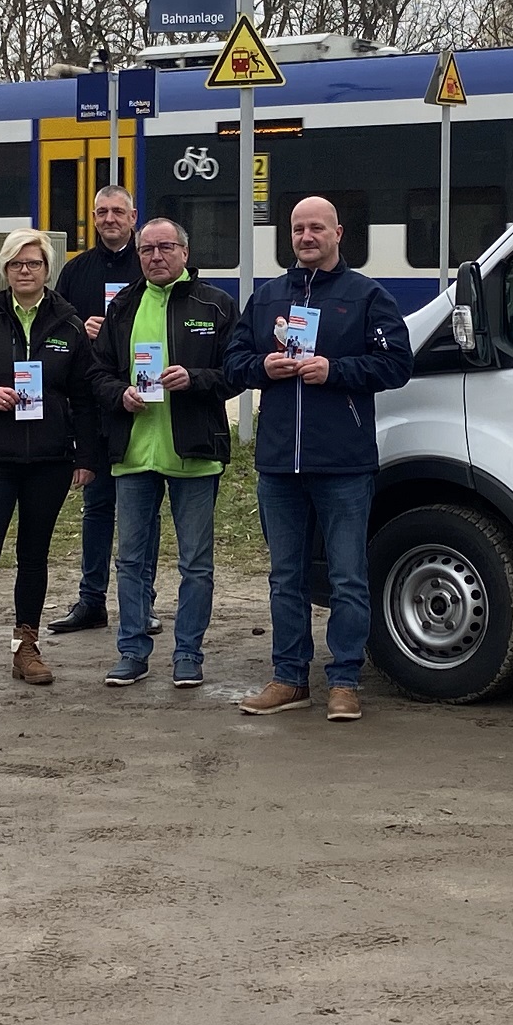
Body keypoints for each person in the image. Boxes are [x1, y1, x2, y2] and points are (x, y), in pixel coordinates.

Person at [223, 196, 413, 721]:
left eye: (316, 228)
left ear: (338, 233)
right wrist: (264, 365)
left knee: (349, 576)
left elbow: (397, 364)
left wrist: (336, 370)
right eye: (298, 229)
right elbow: (234, 363)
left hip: (344, 464)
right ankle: (289, 678)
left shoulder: (366, 297)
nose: (307, 237)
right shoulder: (267, 300)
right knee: (286, 577)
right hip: (279, 465)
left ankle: (345, 680)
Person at [0, 228, 102, 696]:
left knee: (34, 557)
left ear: (47, 270)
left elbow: (85, 395)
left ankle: (25, 648)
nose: (24, 271)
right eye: (16, 264)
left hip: (49, 459)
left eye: (33, 264)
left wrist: (84, 456)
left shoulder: (68, 324)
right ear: (5, 270)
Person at [93, 217, 239, 688]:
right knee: (131, 560)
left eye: (165, 248)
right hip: (134, 454)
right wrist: (120, 394)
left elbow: (238, 373)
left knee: (195, 563)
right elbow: (96, 373)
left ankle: (188, 656)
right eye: (147, 250)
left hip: (193, 455)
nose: (156, 257)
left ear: (185, 252)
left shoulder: (214, 305)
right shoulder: (122, 306)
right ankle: (132, 651)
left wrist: (194, 379)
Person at [46, 185, 147, 636]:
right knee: (96, 506)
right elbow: (58, 330)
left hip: (138, 401)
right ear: (93, 216)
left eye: (118, 212)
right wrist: (81, 332)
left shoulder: (148, 261)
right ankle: (91, 600)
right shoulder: (75, 270)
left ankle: (142, 602)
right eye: (102, 212)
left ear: (133, 215)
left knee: (140, 512)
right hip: (91, 404)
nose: (110, 219)